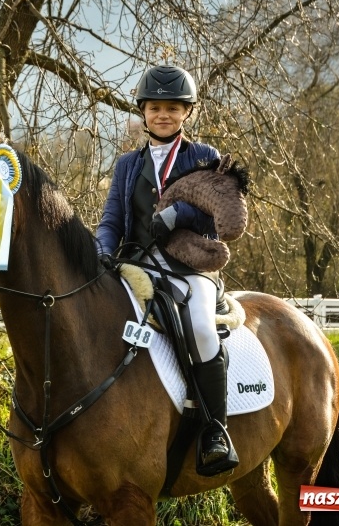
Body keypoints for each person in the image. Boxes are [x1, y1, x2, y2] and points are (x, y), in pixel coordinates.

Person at [95, 65, 237, 474]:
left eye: (173, 108)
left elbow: (219, 213)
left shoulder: (205, 156)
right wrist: (102, 252)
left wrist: (178, 215)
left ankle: (215, 430)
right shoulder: (127, 165)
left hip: (190, 266)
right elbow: (111, 220)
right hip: (136, 265)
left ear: (186, 112)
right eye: (155, 108)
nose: (163, 115)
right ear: (143, 111)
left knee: (201, 328)